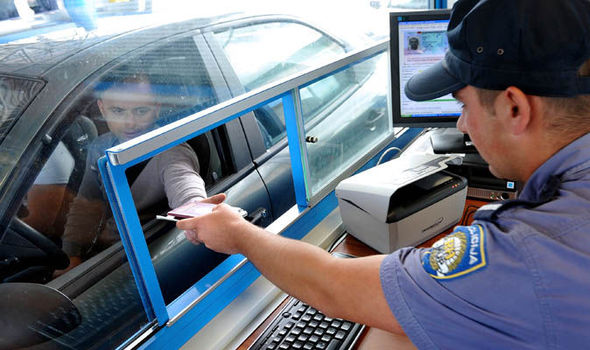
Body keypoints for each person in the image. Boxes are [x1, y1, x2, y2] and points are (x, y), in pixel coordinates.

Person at [177, 0, 590, 348]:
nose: (462, 125)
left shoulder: (525, 253)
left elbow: (332, 287)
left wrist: (238, 234)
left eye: (464, 105)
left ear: (514, 108)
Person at [61, 73, 207, 271]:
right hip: (104, 253)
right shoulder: (100, 148)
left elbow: (184, 183)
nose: (130, 122)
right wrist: (72, 255)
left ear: (156, 109)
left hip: (146, 259)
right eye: (118, 111)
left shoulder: (171, 152)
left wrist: (196, 210)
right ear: (102, 109)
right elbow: (86, 203)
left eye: (140, 111)